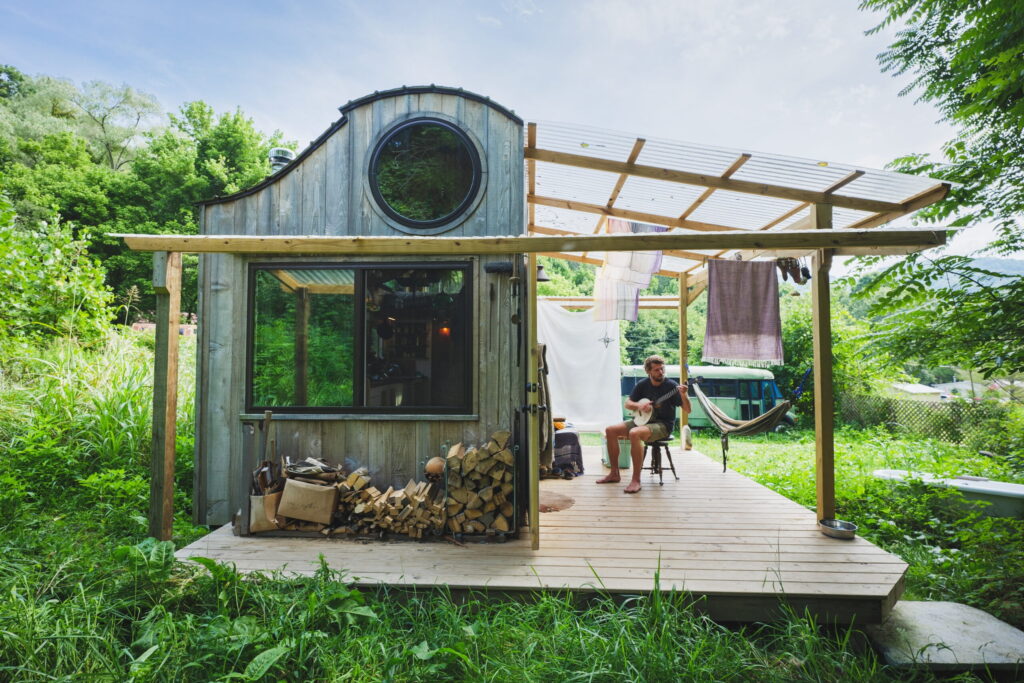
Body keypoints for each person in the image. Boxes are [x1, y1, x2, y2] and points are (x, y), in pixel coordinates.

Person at [597, 355, 691, 493]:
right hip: (642, 420)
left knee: (634, 433)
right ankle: (614, 473)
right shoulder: (642, 384)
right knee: (610, 430)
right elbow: (628, 403)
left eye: (662, 369)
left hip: (662, 425)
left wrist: (684, 394)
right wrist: (639, 406)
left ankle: (636, 480)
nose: (660, 372)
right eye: (657, 370)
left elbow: (688, 410)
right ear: (649, 372)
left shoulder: (671, 386)